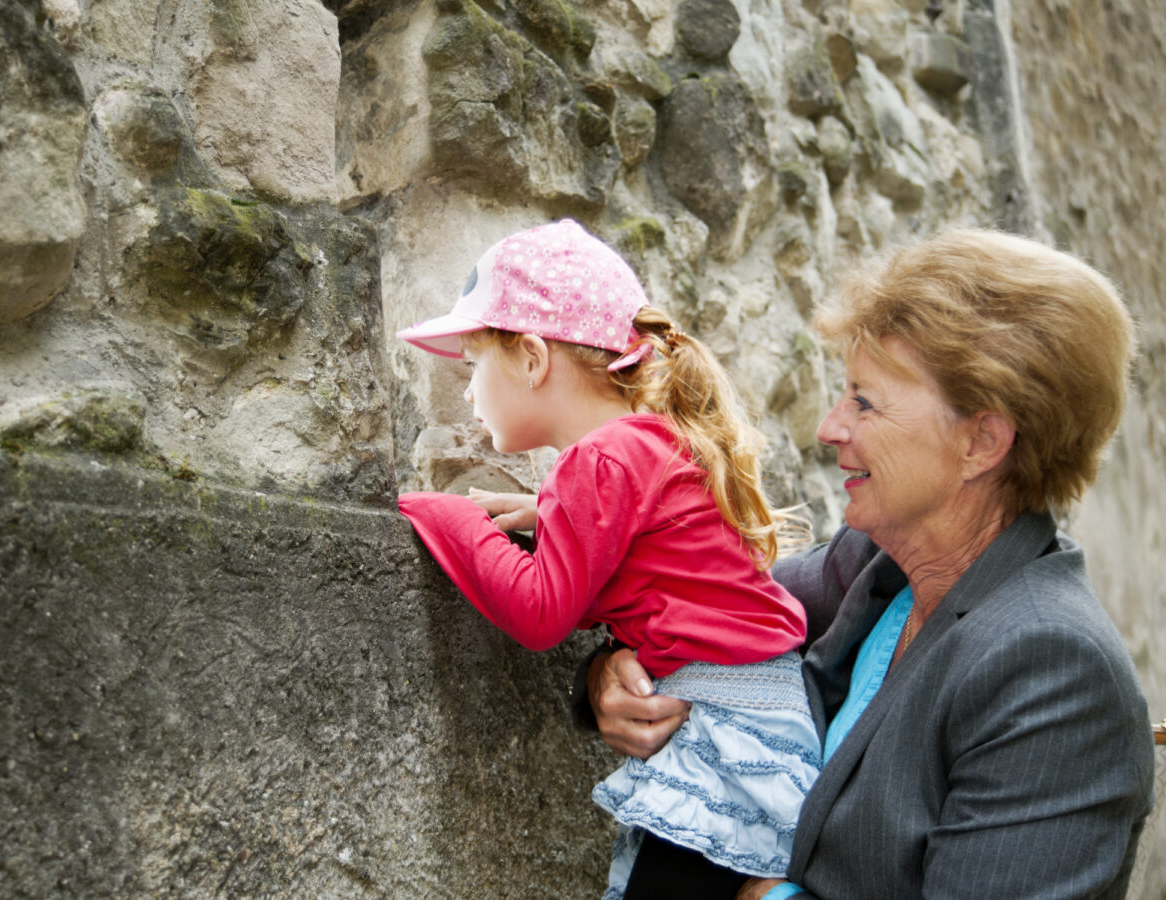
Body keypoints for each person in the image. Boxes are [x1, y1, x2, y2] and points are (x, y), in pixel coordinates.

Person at [584, 228, 1157, 899]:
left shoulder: (1055, 672)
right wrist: (604, 679)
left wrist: (757, 896)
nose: (829, 427)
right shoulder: (875, 568)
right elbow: (694, 616)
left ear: (982, 441)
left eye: (864, 400)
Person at [395, 219, 821, 899]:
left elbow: (540, 613)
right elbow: (654, 554)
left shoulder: (600, 457)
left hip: (722, 733)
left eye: (474, 364)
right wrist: (550, 514)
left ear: (532, 359)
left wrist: (436, 511)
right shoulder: (647, 445)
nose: (469, 394)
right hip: (761, 725)